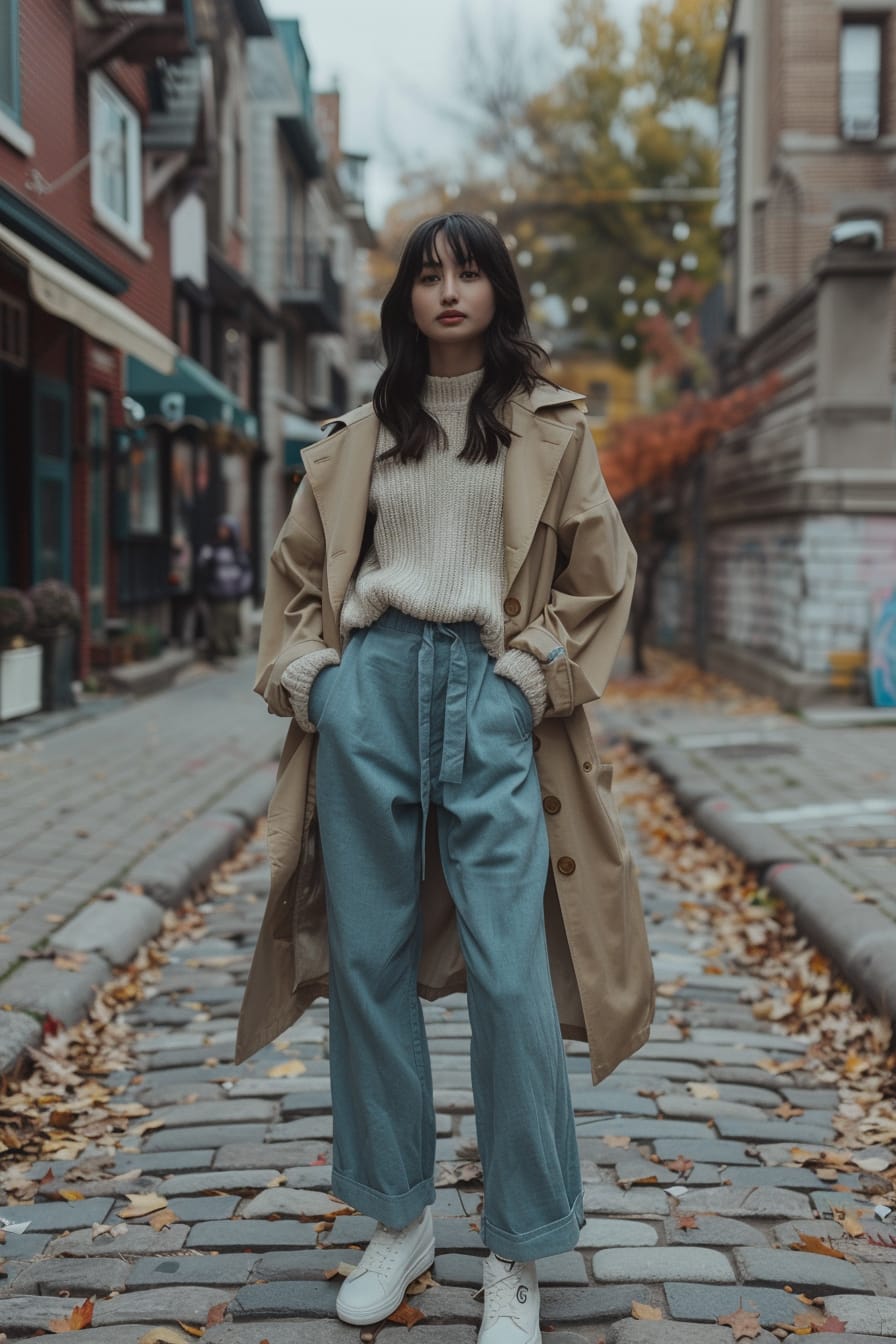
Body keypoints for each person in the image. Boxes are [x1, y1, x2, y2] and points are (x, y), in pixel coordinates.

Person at [237, 213, 656, 1344]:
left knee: (509, 972)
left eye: (468, 271)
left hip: (487, 691)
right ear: (406, 301)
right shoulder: (351, 437)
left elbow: (601, 578)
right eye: (428, 275)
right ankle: (398, 1216)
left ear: (496, 289)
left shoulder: (548, 431)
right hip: (367, 693)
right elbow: (290, 582)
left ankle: (518, 1248)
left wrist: (524, 685)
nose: (449, 290)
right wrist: (318, 681)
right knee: (366, 965)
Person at [196, 514, 252, 661]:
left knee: (230, 622)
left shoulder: (237, 551)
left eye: (226, 529)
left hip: (233, 593)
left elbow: (246, 571)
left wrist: (243, 589)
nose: (223, 532)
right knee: (216, 624)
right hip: (215, 593)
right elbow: (202, 568)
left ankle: (229, 649)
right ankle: (218, 651)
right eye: (221, 528)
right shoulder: (210, 548)